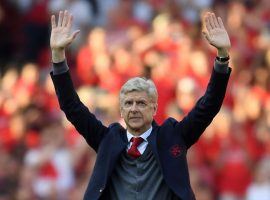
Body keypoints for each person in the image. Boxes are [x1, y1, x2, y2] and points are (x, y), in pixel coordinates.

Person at [50, 10, 231, 200]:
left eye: (141, 103)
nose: (134, 108)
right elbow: (71, 106)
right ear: (121, 110)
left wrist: (222, 56)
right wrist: (58, 56)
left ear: (154, 108)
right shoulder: (108, 139)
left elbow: (209, 105)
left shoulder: (172, 136)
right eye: (128, 103)